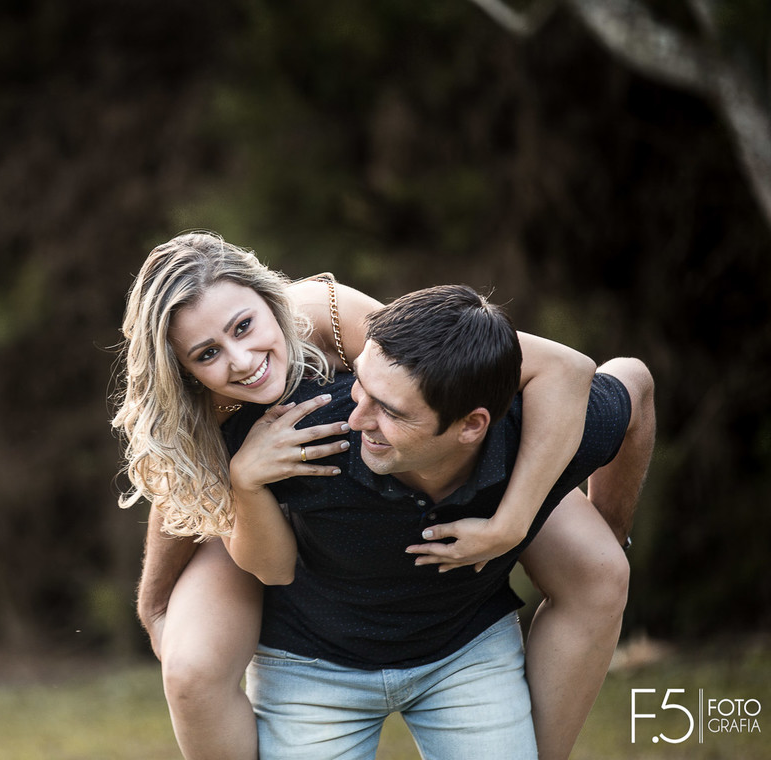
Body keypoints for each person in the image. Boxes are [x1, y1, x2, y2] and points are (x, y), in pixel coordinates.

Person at [113, 233, 642, 759]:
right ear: (182, 371)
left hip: (422, 463)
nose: (241, 359)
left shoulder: (327, 316)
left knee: (597, 566)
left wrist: (512, 521)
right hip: (279, 529)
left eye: (245, 327)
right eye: (208, 354)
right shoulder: (193, 405)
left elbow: (431, 371)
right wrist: (156, 604)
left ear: (268, 298)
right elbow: (181, 485)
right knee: (192, 662)